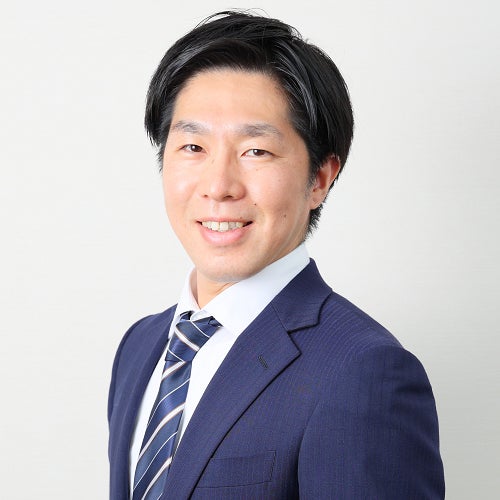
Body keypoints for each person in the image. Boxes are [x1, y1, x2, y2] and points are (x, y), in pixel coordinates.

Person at [108, 11, 445, 499]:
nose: (219, 186)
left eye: (256, 151)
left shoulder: (364, 371)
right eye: (193, 146)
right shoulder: (141, 346)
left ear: (320, 179)